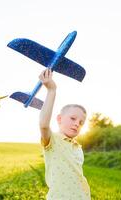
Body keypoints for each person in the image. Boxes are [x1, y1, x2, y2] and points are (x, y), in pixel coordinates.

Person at [39, 68, 91, 200]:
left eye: (81, 122)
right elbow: (44, 125)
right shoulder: (53, 140)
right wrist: (51, 90)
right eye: (73, 118)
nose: (77, 124)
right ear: (59, 119)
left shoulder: (77, 147)